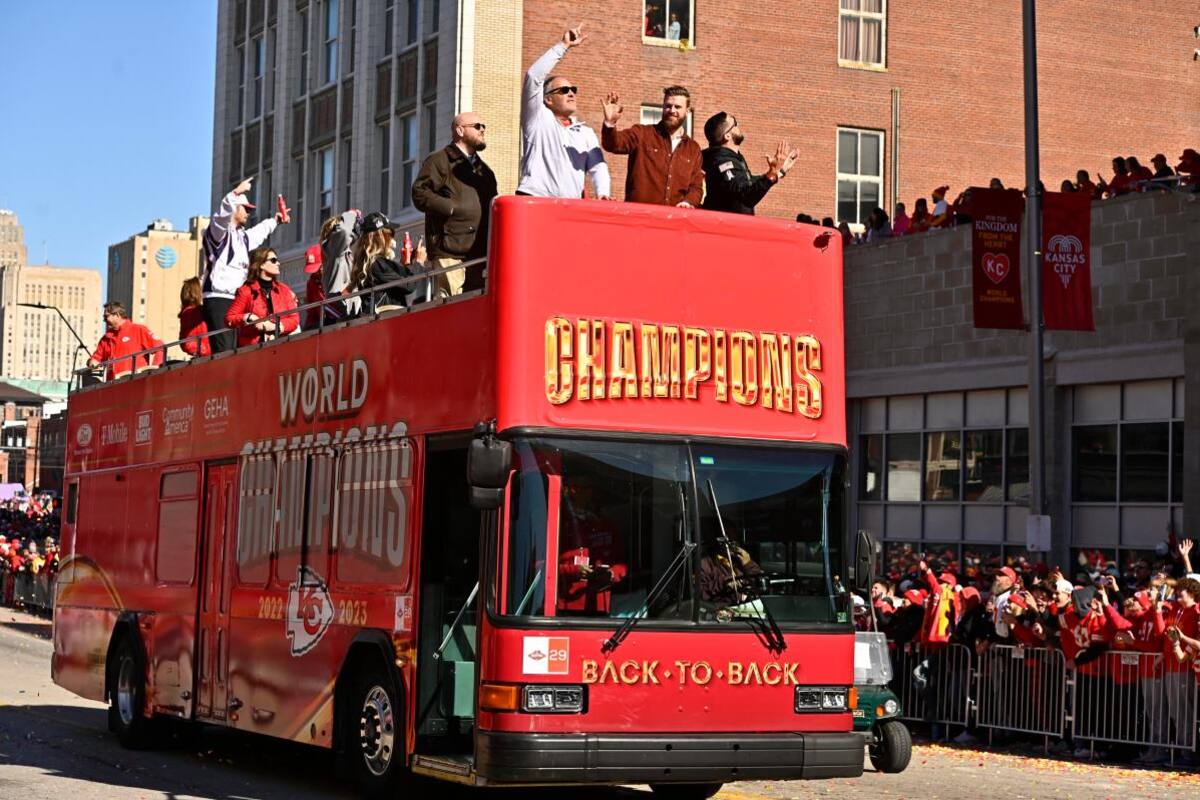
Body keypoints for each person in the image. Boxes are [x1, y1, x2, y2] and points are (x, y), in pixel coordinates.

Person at [516, 27, 611, 200]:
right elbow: (533, 76)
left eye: (573, 89)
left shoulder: (585, 133)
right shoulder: (537, 118)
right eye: (564, 90)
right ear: (547, 99)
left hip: (568, 207)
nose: (571, 93)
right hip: (534, 200)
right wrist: (564, 45)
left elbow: (598, 167)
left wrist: (603, 192)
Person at [412, 111, 498, 298]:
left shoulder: (486, 172)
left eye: (484, 126)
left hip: (480, 254)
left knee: (475, 310)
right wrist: (450, 207)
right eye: (477, 126)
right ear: (460, 130)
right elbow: (419, 192)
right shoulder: (439, 160)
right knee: (451, 307)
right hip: (450, 252)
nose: (482, 130)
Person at [201, 178, 290, 352]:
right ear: (234, 208)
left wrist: (276, 221)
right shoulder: (219, 234)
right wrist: (235, 193)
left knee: (238, 348)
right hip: (219, 297)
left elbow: (259, 232)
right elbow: (220, 217)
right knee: (224, 349)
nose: (248, 213)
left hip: (237, 298)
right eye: (245, 209)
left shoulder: (242, 237)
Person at [601, 86, 704, 207]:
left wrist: (688, 202)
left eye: (677, 107)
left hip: (675, 221)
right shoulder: (642, 133)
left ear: (687, 111)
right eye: (668, 106)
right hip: (639, 218)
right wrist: (610, 123)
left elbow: (696, 187)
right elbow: (613, 144)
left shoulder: (693, 149)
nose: (672, 110)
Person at [700, 111, 797, 215]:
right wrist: (772, 173)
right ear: (727, 136)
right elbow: (746, 195)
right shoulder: (723, 163)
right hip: (727, 228)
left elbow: (748, 182)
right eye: (735, 124)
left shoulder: (732, 159)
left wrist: (779, 172)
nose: (738, 126)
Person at [557, 478, 627, 615]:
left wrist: (611, 574)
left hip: (599, 607)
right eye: (588, 488)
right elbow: (540, 568)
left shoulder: (606, 525)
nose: (593, 494)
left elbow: (622, 564)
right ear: (573, 490)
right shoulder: (558, 524)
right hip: (565, 608)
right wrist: (573, 571)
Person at [350, 212, 426, 313]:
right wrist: (419, 262)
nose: (393, 239)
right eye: (390, 234)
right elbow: (409, 285)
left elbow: (398, 283)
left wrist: (404, 264)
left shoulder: (373, 263)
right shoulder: (376, 263)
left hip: (385, 315)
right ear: (381, 237)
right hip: (386, 315)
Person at [224, 247, 300, 347]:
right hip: (254, 349)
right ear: (261, 264)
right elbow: (229, 318)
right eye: (273, 260)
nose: (278, 263)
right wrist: (248, 317)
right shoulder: (245, 291)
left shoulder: (283, 290)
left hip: (282, 345)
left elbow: (294, 319)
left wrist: (275, 327)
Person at [87, 301, 164, 379]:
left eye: (106, 316)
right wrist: (91, 362)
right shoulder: (105, 339)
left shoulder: (138, 330)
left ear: (117, 315)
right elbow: (96, 358)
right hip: (112, 385)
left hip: (135, 382)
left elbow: (160, 348)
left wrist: (155, 370)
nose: (104, 320)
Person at [321, 209, 361, 320]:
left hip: (346, 313)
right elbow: (343, 233)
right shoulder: (335, 252)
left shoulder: (342, 255)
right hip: (341, 315)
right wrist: (350, 215)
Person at [699, 538, 763, 607]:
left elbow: (760, 581)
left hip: (747, 605)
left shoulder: (740, 559)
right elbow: (701, 593)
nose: (733, 545)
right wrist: (723, 583)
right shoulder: (705, 564)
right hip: (722, 609)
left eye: (735, 541)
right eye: (729, 541)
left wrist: (748, 564)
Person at [177, 277, 210, 357]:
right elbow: (187, 341)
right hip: (205, 357)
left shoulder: (196, 311)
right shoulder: (191, 313)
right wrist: (206, 351)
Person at [302, 244, 325, 330]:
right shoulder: (311, 284)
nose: (315, 273)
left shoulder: (339, 277)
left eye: (318, 269)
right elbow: (312, 312)